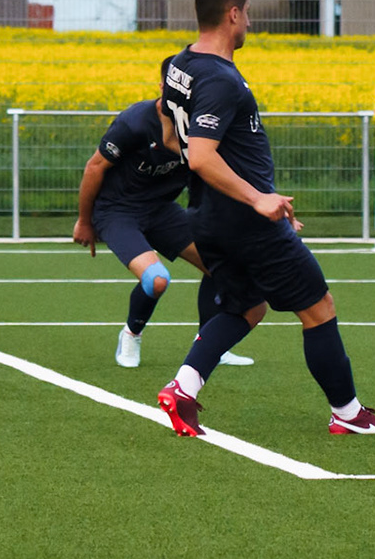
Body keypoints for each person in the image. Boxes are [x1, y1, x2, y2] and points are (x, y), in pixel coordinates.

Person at [154, 0, 375, 437]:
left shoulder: (178, 64)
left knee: (247, 306)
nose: (248, 21)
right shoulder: (220, 79)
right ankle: (348, 414)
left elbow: (170, 130)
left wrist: (232, 183)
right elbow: (203, 154)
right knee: (318, 307)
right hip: (243, 217)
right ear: (233, 15)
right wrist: (259, 198)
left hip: (207, 214)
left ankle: (182, 390)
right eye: (246, 13)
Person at [71, 95, 253, 370]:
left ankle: (210, 345)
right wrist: (84, 220)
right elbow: (94, 167)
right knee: (157, 280)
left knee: (222, 265)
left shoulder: (202, 126)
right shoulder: (135, 122)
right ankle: (131, 334)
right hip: (117, 210)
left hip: (161, 210)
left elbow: (217, 173)